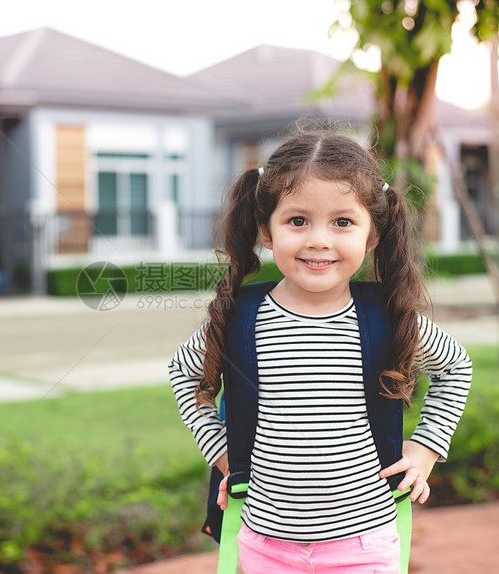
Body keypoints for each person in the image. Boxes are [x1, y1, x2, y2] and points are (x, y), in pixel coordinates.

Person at [168, 130, 472, 573]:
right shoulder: (241, 320)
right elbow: (184, 373)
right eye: (297, 221)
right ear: (265, 231)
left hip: (364, 546)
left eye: (342, 222)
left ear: (371, 236)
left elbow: (456, 366)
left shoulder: (387, 319)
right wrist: (223, 450)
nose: (318, 240)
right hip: (266, 547)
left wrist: (426, 447)